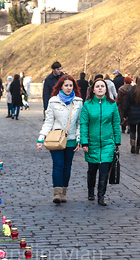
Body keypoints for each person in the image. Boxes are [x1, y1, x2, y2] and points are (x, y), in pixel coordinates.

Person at [37, 74, 83, 204]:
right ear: (61, 86)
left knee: (67, 166)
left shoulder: (78, 102)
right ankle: (57, 193)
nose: (68, 88)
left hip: (72, 139)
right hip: (56, 138)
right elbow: (48, 122)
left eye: (70, 85)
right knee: (58, 165)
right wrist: (41, 138)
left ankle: (64, 193)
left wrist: (79, 138)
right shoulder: (53, 101)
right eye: (66, 85)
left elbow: (80, 123)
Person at [80, 78, 121, 206]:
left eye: (102, 86)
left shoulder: (112, 104)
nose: (100, 88)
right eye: (97, 86)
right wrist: (84, 142)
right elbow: (83, 124)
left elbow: (116, 124)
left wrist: (117, 141)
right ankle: (91, 191)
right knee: (92, 170)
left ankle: (101, 196)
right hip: (92, 143)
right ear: (93, 89)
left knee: (104, 170)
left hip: (107, 143)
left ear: (106, 89)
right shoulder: (87, 105)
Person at [124, 76, 140, 154]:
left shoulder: (131, 91)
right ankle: (138, 147)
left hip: (132, 113)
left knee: (132, 130)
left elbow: (127, 104)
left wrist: (125, 114)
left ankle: (133, 144)